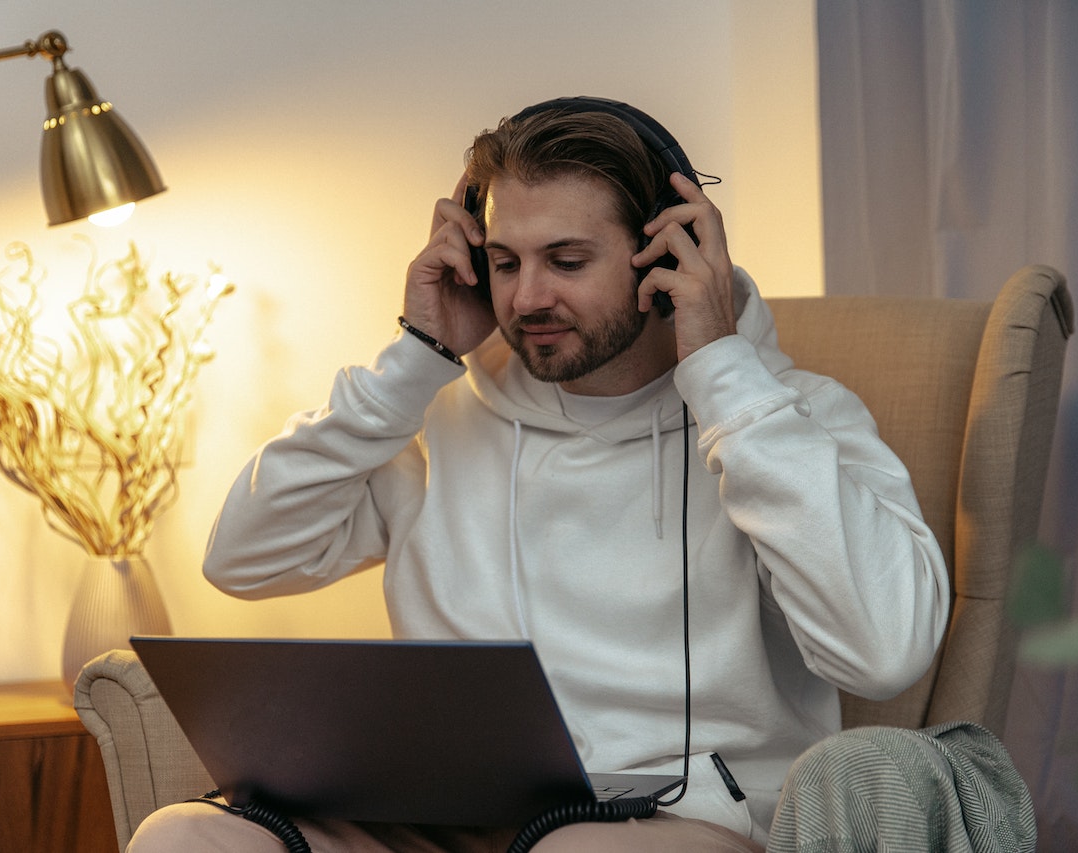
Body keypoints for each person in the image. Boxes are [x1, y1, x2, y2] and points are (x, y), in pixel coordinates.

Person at [128, 98, 950, 852]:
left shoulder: (790, 418)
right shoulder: (442, 419)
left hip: (680, 824)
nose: (527, 297)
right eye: (505, 261)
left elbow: (884, 653)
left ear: (669, 252)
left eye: (565, 259)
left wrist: (726, 380)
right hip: (446, 817)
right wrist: (414, 363)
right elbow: (243, 557)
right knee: (184, 838)